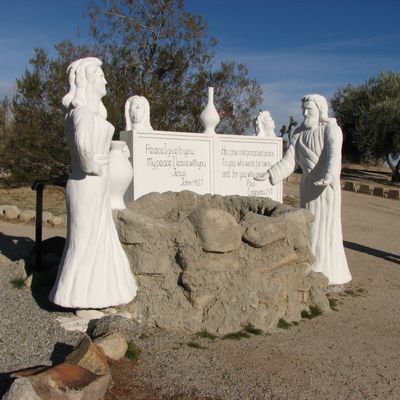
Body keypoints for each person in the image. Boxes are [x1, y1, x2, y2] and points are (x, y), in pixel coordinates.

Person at [49, 57, 137, 308]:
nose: (105, 80)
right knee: (85, 244)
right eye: (100, 75)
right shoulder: (83, 113)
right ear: (87, 80)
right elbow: (83, 147)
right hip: (87, 184)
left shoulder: (86, 113)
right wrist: (94, 165)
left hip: (92, 187)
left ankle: (98, 293)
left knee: (95, 242)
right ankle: (79, 296)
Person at [255, 94, 351, 285]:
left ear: (320, 110)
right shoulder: (299, 133)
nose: (305, 113)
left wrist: (329, 176)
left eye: (309, 109)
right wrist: (270, 173)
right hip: (308, 188)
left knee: (325, 228)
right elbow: (289, 161)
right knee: (309, 227)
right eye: (303, 110)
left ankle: (331, 273)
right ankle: (309, 264)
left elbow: (334, 157)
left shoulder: (331, 130)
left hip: (325, 189)